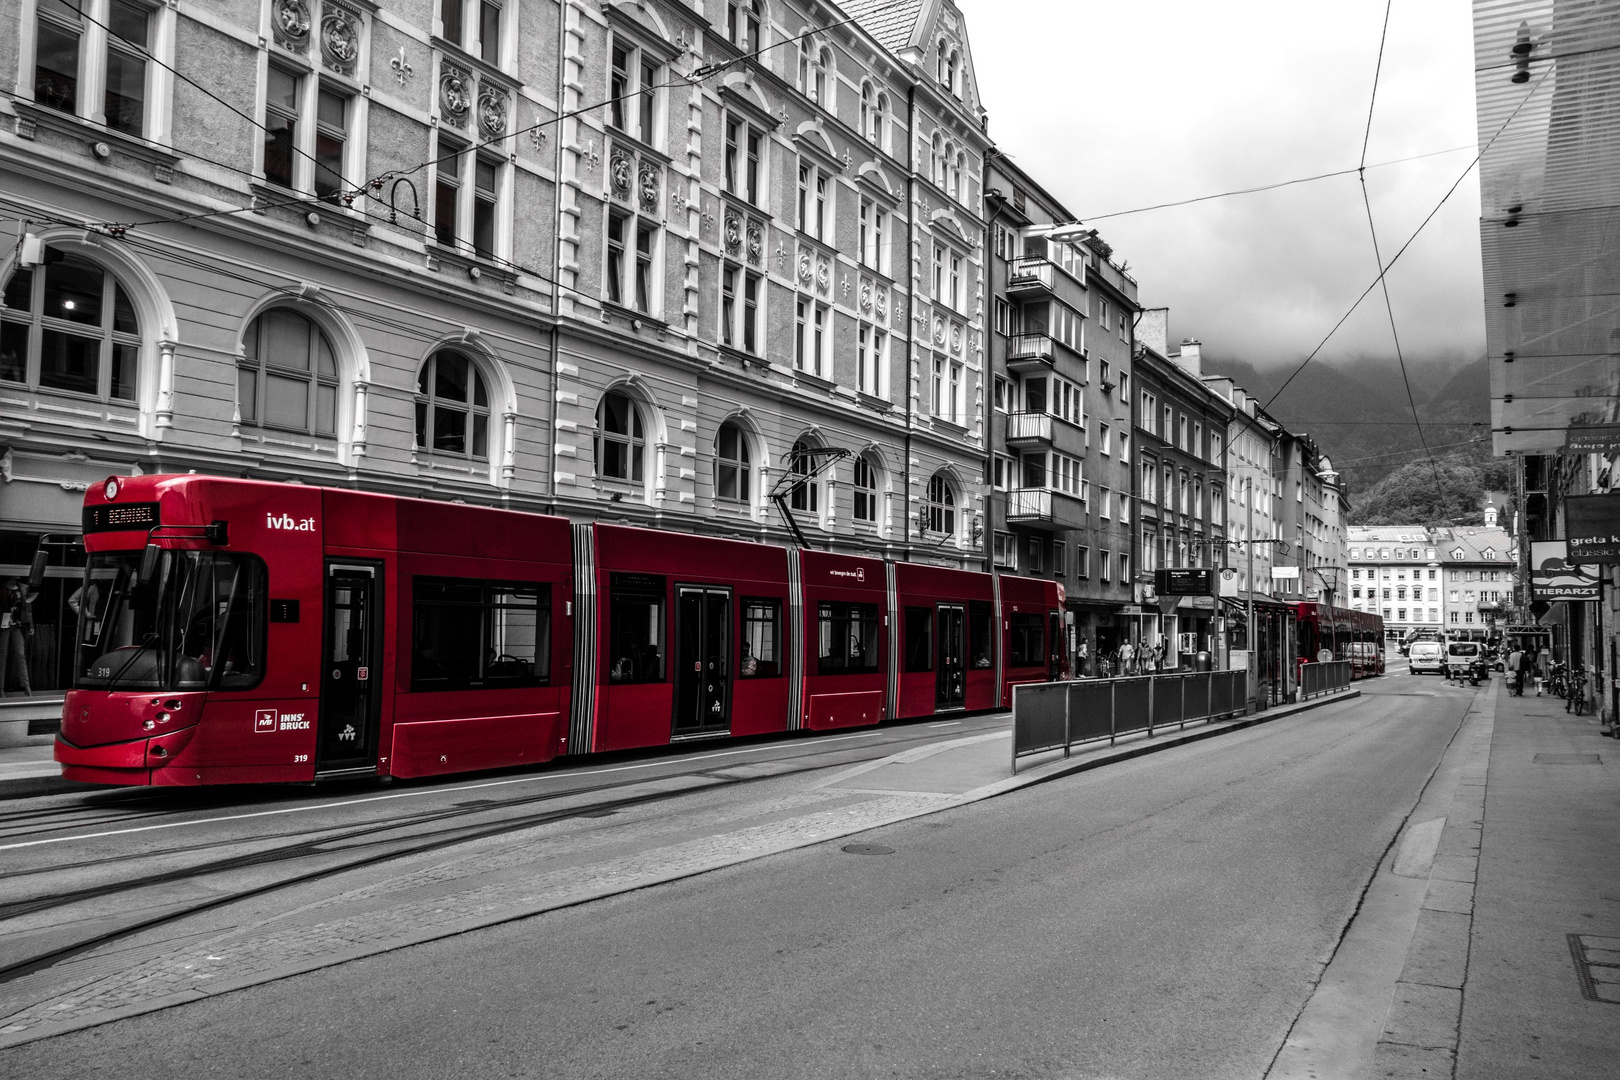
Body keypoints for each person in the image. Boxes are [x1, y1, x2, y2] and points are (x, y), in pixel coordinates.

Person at [0, 578, 35, 697]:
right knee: (2, 655)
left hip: (18, 625)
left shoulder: (23, 588)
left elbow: (28, 609)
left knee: (20, 654)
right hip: (3, 626)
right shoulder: (2, 588)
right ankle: (1, 688)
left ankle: (26, 686)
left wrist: (30, 624)